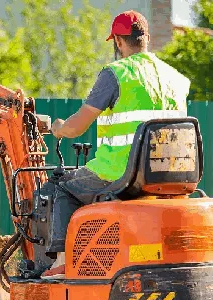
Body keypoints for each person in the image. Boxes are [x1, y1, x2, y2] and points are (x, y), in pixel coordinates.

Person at [41, 10, 190, 279]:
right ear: (146, 38)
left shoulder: (116, 74)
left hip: (121, 174)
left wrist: (59, 128)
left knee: (60, 187)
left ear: (119, 42)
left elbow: (77, 126)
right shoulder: (175, 78)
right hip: (168, 175)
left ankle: (61, 262)